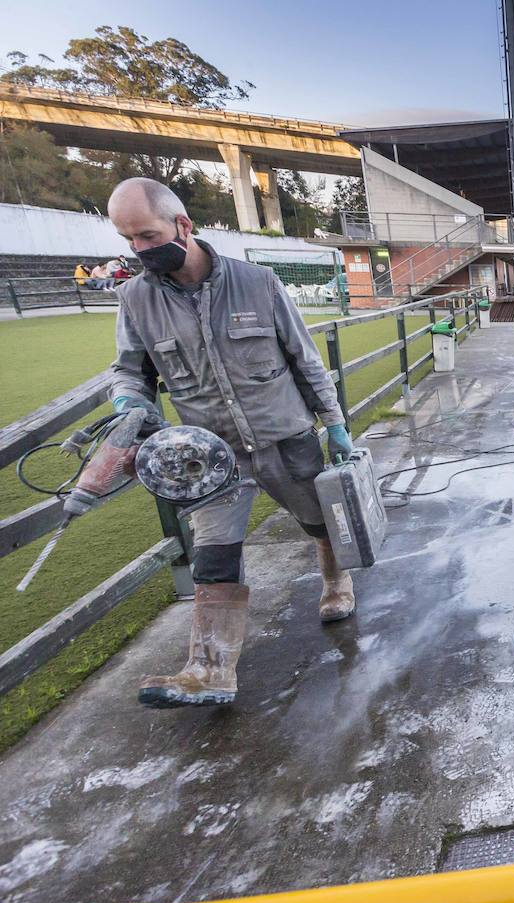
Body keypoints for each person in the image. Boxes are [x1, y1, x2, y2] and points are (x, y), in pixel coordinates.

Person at [106, 177, 357, 709]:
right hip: (210, 456)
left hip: (285, 438)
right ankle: (209, 668)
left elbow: (305, 359)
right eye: (129, 240)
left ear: (183, 226)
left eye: (148, 236)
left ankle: (336, 585)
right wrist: (129, 402)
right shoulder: (135, 300)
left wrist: (333, 423)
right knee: (214, 557)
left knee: (319, 523)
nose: (140, 250)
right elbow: (130, 372)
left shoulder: (258, 283)